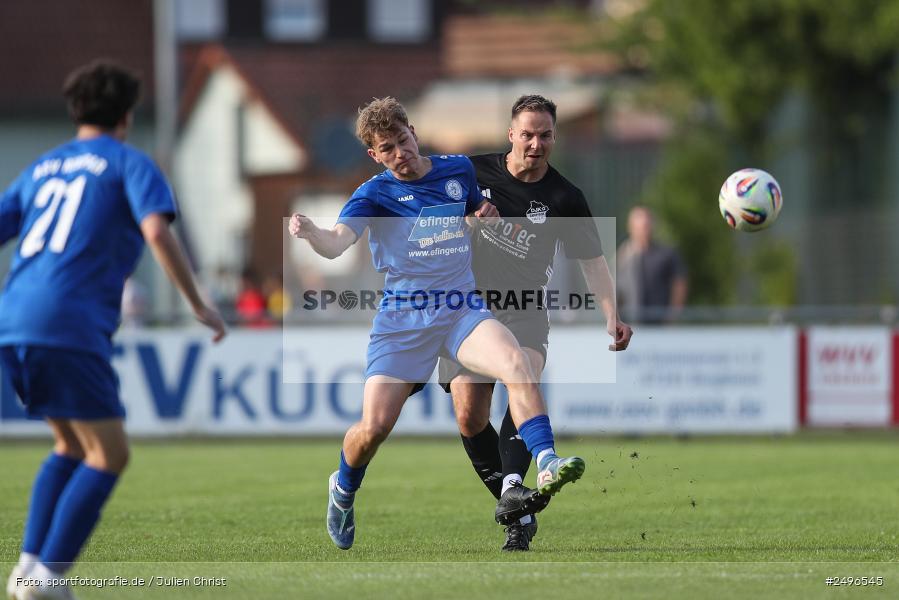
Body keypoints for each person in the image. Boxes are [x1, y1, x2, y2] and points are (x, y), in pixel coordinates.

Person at [288, 97, 586, 551]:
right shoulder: (373, 194)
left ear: (414, 131)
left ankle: (546, 460)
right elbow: (335, 244)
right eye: (386, 149)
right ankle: (344, 489)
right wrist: (312, 233)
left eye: (402, 141)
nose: (399, 154)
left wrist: (481, 215)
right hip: (403, 321)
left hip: (460, 309)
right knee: (373, 430)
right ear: (375, 155)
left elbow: (472, 213)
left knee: (515, 364)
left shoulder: (458, 171)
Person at [1, 60, 226, 600]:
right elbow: (156, 231)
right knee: (111, 454)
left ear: (75, 109)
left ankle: (28, 567)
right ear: (127, 113)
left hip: (13, 320)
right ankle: (48, 578)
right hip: (68, 321)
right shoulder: (130, 162)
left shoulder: (41, 167)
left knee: (69, 443)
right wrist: (196, 301)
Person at [437, 94, 634, 551]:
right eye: (527, 134)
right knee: (469, 416)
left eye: (545, 135)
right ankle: (515, 501)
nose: (535, 144)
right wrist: (466, 223)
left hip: (524, 308)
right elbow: (432, 224)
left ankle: (525, 484)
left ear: (554, 138)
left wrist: (612, 315)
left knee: (521, 376)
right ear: (511, 134)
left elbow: (593, 261)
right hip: (466, 308)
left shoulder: (565, 197)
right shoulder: (471, 173)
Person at [616, 205, 688, 324]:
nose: (644, 228)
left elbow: (680, 284)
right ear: (630, 227)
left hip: (659, 325)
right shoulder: (621, 258)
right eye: (640, 225)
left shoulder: (667, 254)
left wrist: (672, 317)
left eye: (647, 224)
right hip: (631, 326)